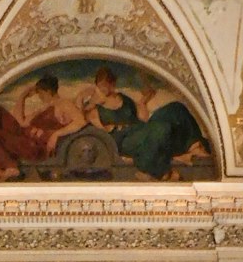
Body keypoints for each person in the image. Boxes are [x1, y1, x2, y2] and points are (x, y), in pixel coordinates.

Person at [79, 66, 209, 181]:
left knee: (176, 108)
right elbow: (85, 120)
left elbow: (142, 117)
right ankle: (146, 164)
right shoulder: (94, 107)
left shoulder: (121, 98)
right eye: (102, 85)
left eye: (108, 84)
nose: (106, 88)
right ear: (97, 85)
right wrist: (85, 97)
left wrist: (143, 101)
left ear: (113, 83)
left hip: (142, 129)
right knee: (161, 128)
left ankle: (194, 145)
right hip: (125, 139)